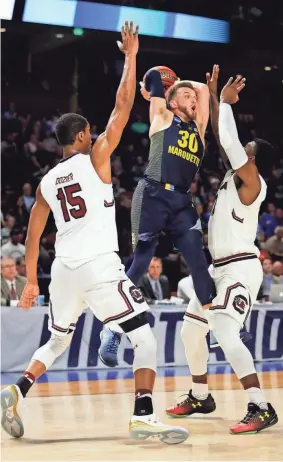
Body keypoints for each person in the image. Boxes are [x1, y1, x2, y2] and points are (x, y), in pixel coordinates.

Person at [0, 22, 188, 445]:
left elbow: (33, 238)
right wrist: (131, 58)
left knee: (57, 342)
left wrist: (32, 280)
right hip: (98, 266)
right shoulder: (96, 156)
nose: (96, 135)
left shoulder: (48, 181)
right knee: (144, 337)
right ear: (83, 136)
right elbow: (123, 107)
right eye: (92, 132)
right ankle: (142, 415)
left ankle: (15, 390)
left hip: (63, 270)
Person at [166, 66, 278, 434]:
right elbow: (221, 135)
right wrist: (214, 100)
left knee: (226, 331)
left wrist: (225, 104)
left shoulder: (253, 182)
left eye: (247, 151)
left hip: (240, 268)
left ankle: (260, 406)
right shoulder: (236, 175)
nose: (240, 152)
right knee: (190, 331)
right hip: (218, 269)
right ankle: (200, 395)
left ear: (256, 161)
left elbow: (229, 141)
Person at [99, 65, 217, 365]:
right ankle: (112, 328)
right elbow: (153, 74)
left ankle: (215, 324)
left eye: (193, 97)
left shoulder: (199, 128)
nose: (194, 99)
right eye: (185, 96)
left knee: (199, 262)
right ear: (173, 102)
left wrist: (184, 85)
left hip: (181, 200)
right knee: (141, 260)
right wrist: (168, 89)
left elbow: (204, 90)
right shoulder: (163, 118)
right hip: (152, 193)